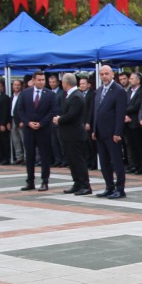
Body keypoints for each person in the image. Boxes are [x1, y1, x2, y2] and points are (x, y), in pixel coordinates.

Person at [88, 65, 127, 199]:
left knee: (116, 161)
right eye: (102, 74)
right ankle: (109, 187)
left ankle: (120, 188)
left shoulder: (118, 90)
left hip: (112, 133)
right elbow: (96, 111)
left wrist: (117, 132)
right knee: (104, 162)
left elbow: (120, 114)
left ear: (112, 74)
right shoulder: (99, 90)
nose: (104, 76)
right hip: (100, 132)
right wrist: (94, 129)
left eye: (106, 74)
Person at [53, 72, 92, 196]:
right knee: (72, 161)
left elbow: (72, 115)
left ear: (66, 83)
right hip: (69, 134)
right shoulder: (71, 95)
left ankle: (85, 185)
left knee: (78, 160)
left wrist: (59, 119)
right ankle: (77, 183)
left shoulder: (76, 96)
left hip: (75, 134)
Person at [18, 71, 57, 191]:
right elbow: (20, 110)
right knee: (30, 156)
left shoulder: (50, 94)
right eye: (39, 80)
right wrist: (28, 122)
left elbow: (53, 111)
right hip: (29, 130)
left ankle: (45, 181)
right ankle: (30, 181)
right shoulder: (25, 93)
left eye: (43, 80)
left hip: (44, 130)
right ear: (33, 80)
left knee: (45, 156)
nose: (41, 82)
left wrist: (41, 123)